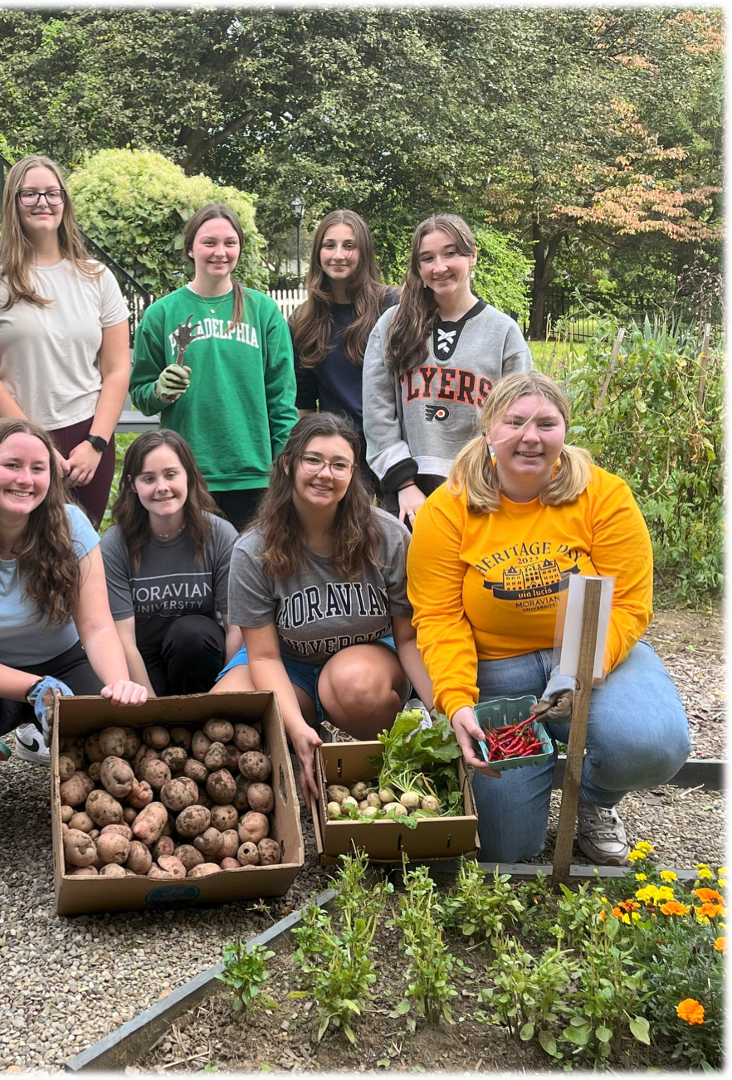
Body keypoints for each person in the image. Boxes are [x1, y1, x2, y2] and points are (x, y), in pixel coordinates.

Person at [407, 371, 689, 865]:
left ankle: (597, 802)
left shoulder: (604, 496)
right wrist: (455, 702)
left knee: (652, 744)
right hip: (498, 669)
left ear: (565, 429)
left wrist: (578, 668)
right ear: (488, 427)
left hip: (594, 653)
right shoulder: (447, 509)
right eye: (515, 422)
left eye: (546, 423)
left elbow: (627, 602)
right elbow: (438, 616)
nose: (530, 437)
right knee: (508, 849)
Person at [213, 413, 433, 801]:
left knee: (353, 685)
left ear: (353, 473)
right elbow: (262, 656)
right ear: (288, 464)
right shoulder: (253, 549)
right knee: (222, 716)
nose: (324, 473)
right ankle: (307, 741)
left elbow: (409, 637)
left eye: (339, 464)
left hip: (365, 662)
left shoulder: (388, 537)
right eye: (313, 460)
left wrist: (444, 704)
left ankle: (364, 762)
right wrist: (296, 726)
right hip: (285, 664)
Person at [0, 418, 148, 767]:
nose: (25, 479)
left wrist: (117, 685)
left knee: (112, 731)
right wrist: (35, 687)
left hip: (65, 664)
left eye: (38, 468)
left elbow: (97, 626)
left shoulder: (72, 527)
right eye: (11, 465)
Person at [0, 155, 131, 526]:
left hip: (86, 439)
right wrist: (34, 445)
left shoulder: (97, 277)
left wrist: (97, 444)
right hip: (9, 435)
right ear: (13, 202)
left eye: (52, 193)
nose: (43, 202)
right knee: (10, 552)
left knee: (77, 555)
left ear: (65, 202)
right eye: (30, 194)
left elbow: (117, 370)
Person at [129, 203, 297, 532]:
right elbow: (141, 394)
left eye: (229, 243)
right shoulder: (162, 313)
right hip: (185, 473)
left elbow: (281, 395)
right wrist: (159, 392)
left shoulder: (262, 311)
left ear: (239, 249)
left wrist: (284, 461)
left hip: (254, 472)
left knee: (250, 575)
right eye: (209, 242)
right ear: (190, 248)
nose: (220, 252)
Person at [362, 213, 532, 525]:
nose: (439, 267)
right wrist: (404, 484)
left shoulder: (503, 331)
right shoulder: (392, 325)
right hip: (409, 494)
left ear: (473, 256)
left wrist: (490, 474)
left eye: (450, 253)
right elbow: (377, 411)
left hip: (483, 488)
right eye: (427, 258)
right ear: (418, 267)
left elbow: (519, 415)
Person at [102, 430, 241, 697]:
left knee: (190, 633)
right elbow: (124, 640)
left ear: (188, 475)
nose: (161, 487)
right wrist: (149, 705)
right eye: (148, 478)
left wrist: (227, 696)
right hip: (144, 659)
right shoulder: (115, 545)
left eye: (171, 474)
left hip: (200, 653)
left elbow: (235, 628)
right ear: (133, 484)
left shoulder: (220, 535)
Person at [290, 209, 399, 494]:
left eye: (349, 246)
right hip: (338, 450)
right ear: (318, 253)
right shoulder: (302, 320)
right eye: (330, 245)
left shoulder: (392, 305)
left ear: (363, 252)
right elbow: (304, 402)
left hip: (395, 443)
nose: (338, 255)